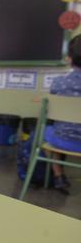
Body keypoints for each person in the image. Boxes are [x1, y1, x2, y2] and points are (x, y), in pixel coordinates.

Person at [45, 35, 81, 191]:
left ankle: (58, 175)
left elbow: (49, 111)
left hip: (61, 140)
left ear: (69, 58)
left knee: (45, 131)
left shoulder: (58, 82)